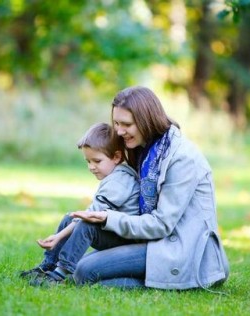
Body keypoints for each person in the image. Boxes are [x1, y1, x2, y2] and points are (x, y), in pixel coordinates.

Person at [70, 86, 229, 290]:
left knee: (85, 272)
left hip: (180, 250)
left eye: (126, 124)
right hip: (151, 241)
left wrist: (109, 218)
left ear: (146, 120)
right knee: (81, 267)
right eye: (116, 123)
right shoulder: (147, 150)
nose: (118, 131)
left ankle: (161, 282)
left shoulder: (182, 158)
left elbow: (161, 224)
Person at [19, 122, 140, 285]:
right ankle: (48, 266)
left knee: (86, 225)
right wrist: (59, 236)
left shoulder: (120, 181)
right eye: (88, 161)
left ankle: (59, 274)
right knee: (70, 218)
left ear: (116, 157)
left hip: (127, 239)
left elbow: (91, 216)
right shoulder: (114, 176)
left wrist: (58, 237)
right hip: (114, 231)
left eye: (97, 161)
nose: (91, 167)